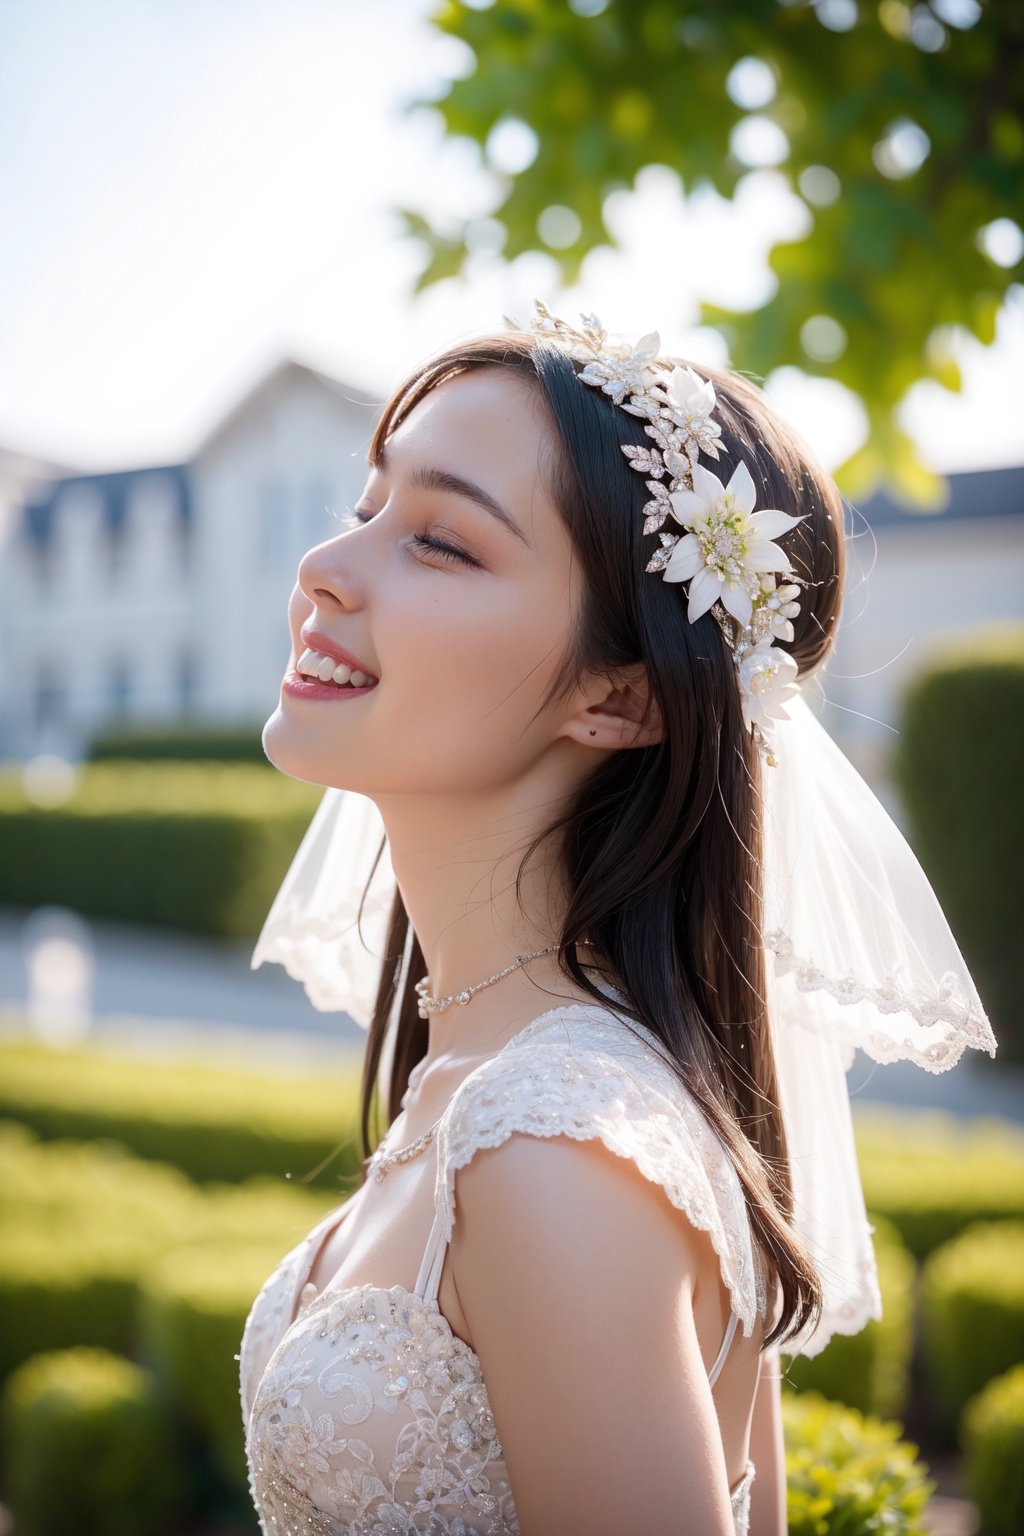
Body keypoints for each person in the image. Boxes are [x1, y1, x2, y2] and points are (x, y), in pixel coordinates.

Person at [237, 305, 996, 1536]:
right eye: (367, 505)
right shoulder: (501, 1075)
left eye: (439, 542)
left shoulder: (559, 1145)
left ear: (619, 695)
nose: (327, 563)